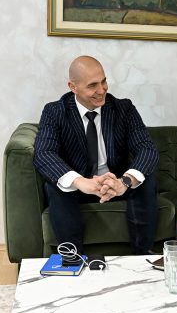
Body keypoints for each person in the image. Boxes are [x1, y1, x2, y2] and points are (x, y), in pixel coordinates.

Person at [32, 55, 159, 255]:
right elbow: (44, 153)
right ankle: (73, 258)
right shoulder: (55, 111)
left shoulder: (123, 109)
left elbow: (147, 148)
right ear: (73, 87)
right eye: (92, 85)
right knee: (57, 185)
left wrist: (124, 181)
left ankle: (142, 256)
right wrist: (80, 181)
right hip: (79, 186)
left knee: (144, 179)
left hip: (116, 184)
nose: (101, 90)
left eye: (104, 81)